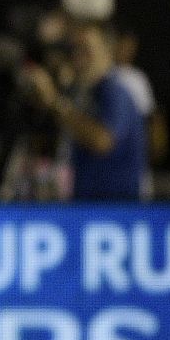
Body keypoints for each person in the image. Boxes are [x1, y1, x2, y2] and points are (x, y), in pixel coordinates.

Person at [22, 17, 151, 202]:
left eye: (86, 49)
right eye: (74, 49)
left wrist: (54, 102)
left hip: (115, 213)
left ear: (108, 50)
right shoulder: (83, 93)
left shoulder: (114, 91)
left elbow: (103, 140)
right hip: (87, 208)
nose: (78, 55)